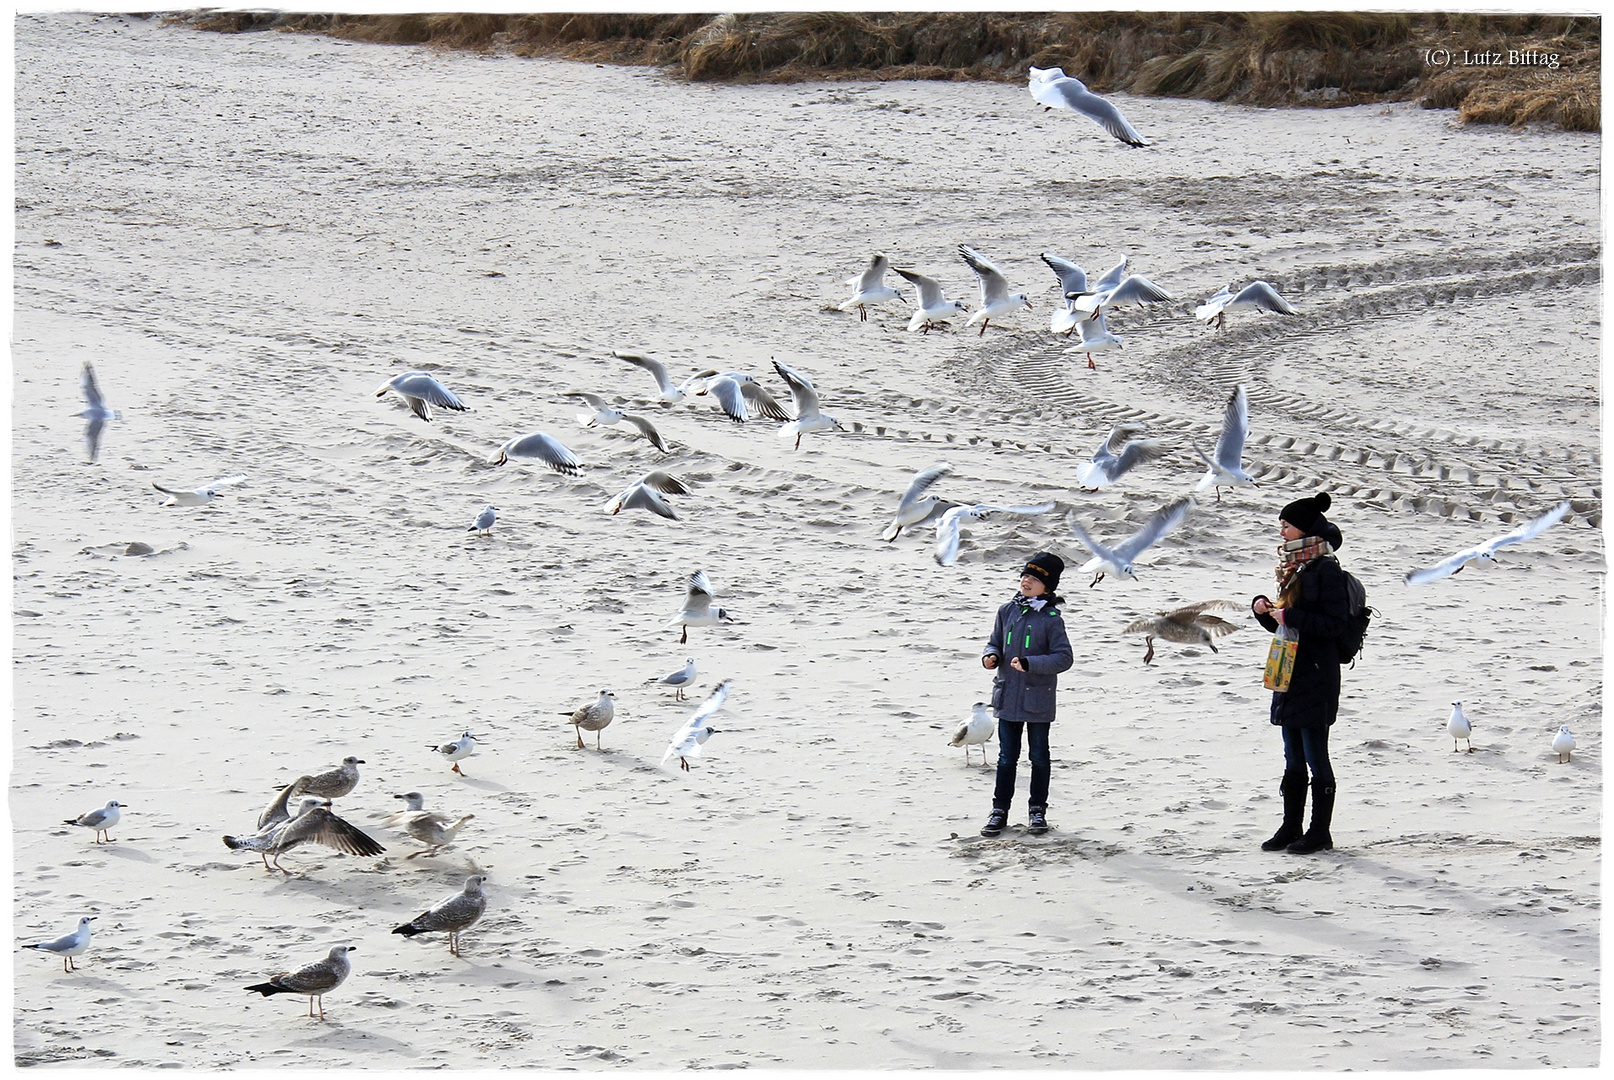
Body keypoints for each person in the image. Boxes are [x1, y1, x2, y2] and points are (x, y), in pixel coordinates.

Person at [1251, 492, 1351, 854]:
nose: (1281, 532)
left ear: (1304, 530)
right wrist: (1265, 611)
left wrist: (1288, 616)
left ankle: (1319, 832)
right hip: (1288, 671)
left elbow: (1333, 625)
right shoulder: (1295, 566)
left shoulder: (1327, 570)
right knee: (1292, 756)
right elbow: (1286, 627)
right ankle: (1290, 827)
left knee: (1315, 755)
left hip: (1315, 675)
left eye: (1287, 526)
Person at [979, 552, 1074, 837]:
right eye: (1024, 576)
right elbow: (993, 642)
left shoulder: (1052, 619)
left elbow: (1064, 658)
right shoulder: (1006, 610)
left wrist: (1032, 664)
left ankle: (1037, 811)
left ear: (1047, 586)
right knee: (1006, 757)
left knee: (1039, 756)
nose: (1026, 581)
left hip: (1038, 700)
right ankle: (999, 811)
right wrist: (991, 656)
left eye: (1033, 578)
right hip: (1007, 696)